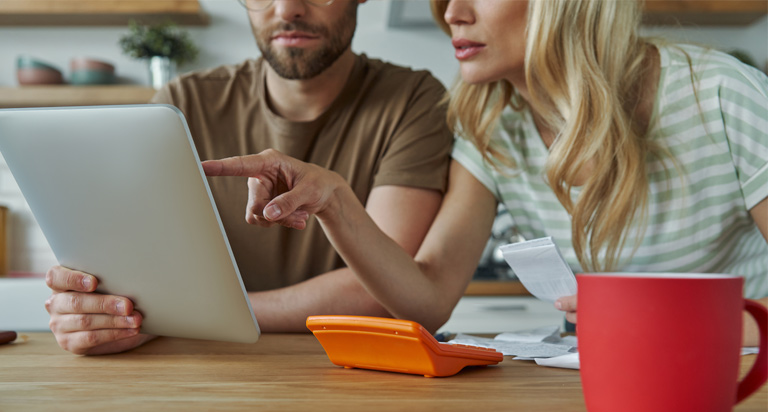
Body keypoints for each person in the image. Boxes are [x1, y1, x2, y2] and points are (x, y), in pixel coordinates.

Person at [203, 0, 768, 345]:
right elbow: (428, 297)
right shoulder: (493, 122)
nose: (452, 11)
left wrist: (644, 317)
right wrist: (334, 199)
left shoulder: (722, 94)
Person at [44, 0, 454, 355]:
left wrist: (192, 314)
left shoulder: (415, 101)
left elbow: (385, 289)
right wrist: (92, 307)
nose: (287, 9)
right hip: (205, 371)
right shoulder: (180, 105)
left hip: (357, 371)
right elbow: (129, 264)